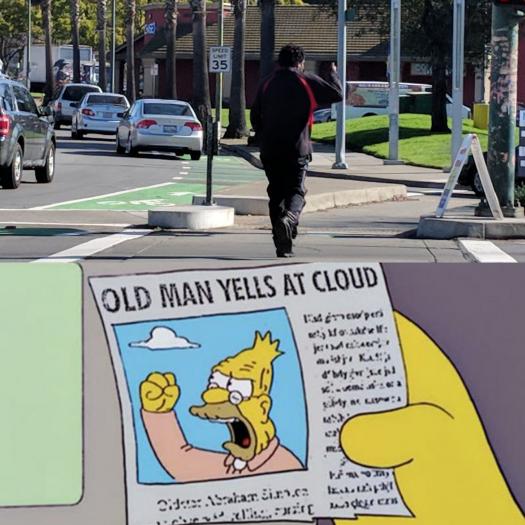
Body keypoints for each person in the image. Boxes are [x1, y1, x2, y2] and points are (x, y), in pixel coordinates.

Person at [250, 44, 343, 257]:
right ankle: (290, 219)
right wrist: (332, 74)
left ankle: (282, 244)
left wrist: (263, 135)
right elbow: (337, 94)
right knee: (296, 191)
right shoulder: (306, 79)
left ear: (279, 62)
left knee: (276, 194)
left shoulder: (267, 82)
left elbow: (255, 115)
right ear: (300, 62)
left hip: (270, 149)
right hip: (297, 148)